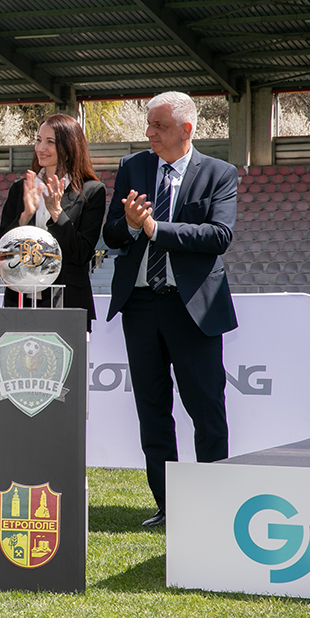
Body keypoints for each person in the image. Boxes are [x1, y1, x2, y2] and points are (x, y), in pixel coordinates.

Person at [102, 91, 239, 528]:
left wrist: (155, 228)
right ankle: (168, 506)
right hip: (140, 305)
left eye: (159, 126)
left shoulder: (219, 173)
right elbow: (111, 234)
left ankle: (215, 503)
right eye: (148, 125)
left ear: (187, 129)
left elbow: (218, 236)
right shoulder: (132, 167)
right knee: (153, 410)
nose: (149, 134)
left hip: (192, 307)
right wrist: (127, 224)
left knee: (206, 409)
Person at [0, 113, 106, 331]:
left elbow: (82, 253)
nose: (40, 148)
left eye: (50, 142)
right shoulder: (21, 189)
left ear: (69, 146)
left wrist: (56, 211)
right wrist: (25, 215)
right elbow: (0, 251)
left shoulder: (91, 191)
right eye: (38, 140)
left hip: (69, 303)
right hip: (21, 303)